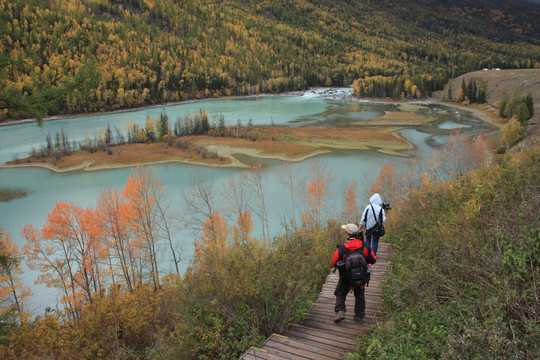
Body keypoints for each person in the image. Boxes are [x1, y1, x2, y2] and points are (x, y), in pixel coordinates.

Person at [331, 223, 377, 324]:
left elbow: (333, 262)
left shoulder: (342, 249)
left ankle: (340, 311)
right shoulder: (365, 246)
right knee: (360, 296)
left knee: (340, 293)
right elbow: (373, 259)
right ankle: (359, 316)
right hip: (361, 277)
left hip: (346, 277)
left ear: (347, 235)